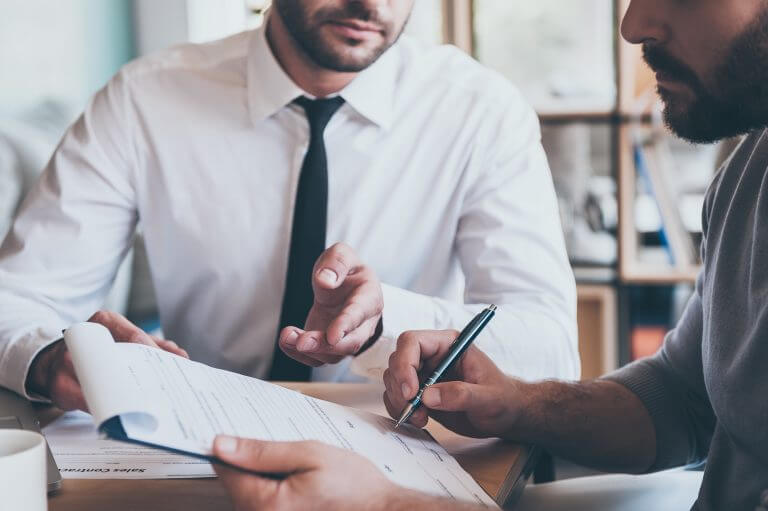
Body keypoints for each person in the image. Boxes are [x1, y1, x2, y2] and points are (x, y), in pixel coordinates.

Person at [208, 0, 768, 510]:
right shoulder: (747, 171)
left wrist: (386, 505)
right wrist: (517, 404)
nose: (632, 25)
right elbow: (684, 403)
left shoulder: (476, 106)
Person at [0, 0, 577, 411]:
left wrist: (388, 319)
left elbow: (549, 347)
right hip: (196, 448)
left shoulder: (481, 111)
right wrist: (49, 358)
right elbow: (18, 298)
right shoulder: (143, 101)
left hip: (407, 447)